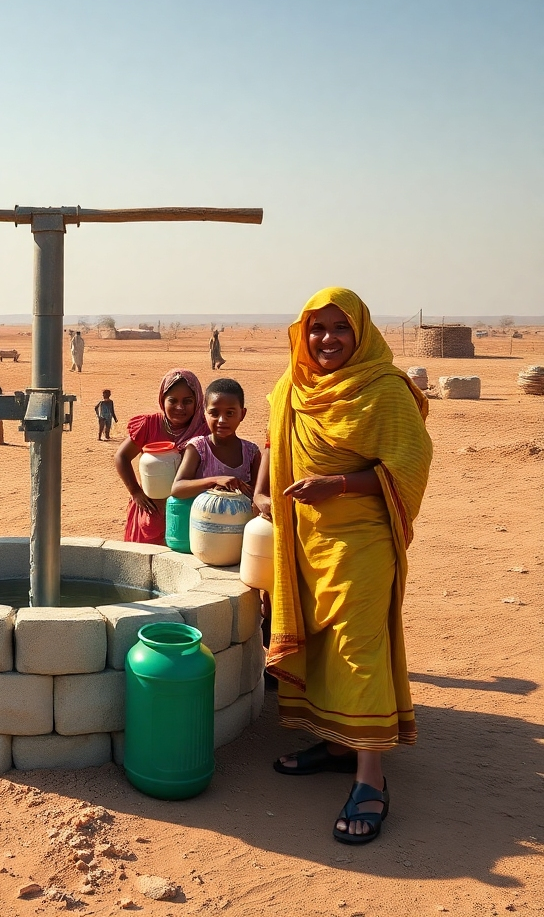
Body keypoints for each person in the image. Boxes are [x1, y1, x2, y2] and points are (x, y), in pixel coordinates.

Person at [252, 288, 432, 845]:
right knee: (324, 642)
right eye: (316, 328)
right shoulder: (290, 387)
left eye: (339, 329)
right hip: (304, 539)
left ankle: (370, 780)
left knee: (359, 647)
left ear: (360, 332)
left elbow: (411, 461)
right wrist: (262, 494)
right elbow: (273, 442)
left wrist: (339, 483)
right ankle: (335, 745)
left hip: (361, 540)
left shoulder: (383, 389)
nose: (327, 339)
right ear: (301, 334)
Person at [114, 369, 206, 544]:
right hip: (149, 512)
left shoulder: (203, 431)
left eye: (188, 401)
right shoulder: (149, 425)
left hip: (187, 512)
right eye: (173, 400)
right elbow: (121, 456)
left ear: (198, 402)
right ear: (162, 400)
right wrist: (135, 492)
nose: (180, 407)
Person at [170, 378, 260, 500]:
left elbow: (259, 492)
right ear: (204, 414)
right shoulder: (198, 448)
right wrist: (215, 481)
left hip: (242, 518)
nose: (222, 420)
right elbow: (178, 488)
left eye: (230, 413)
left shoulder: (251, 452)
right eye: (214, 413)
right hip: (203, 518)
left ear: (242, 414)